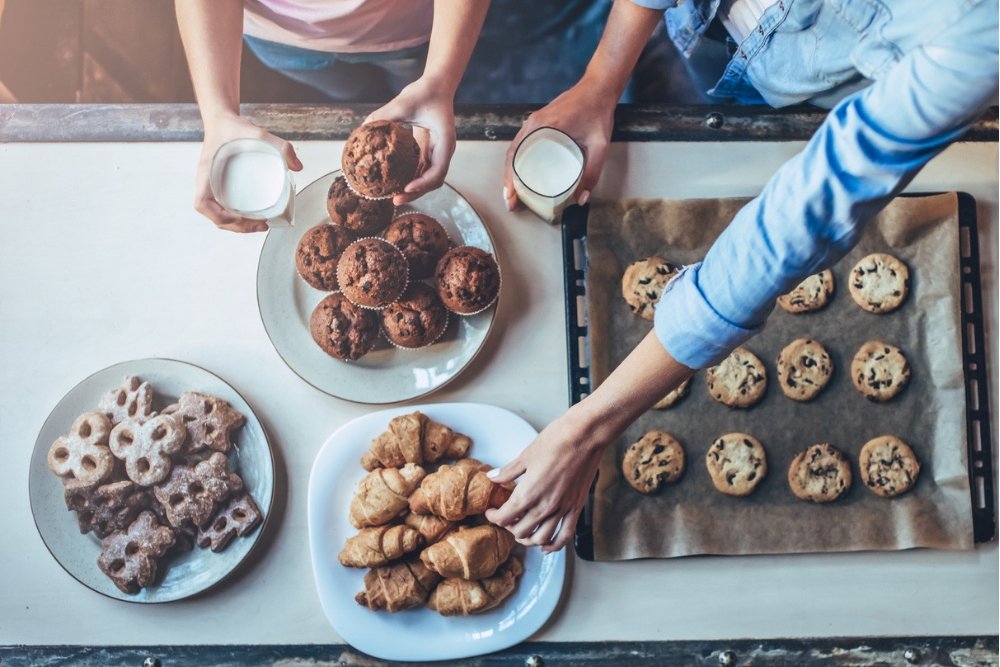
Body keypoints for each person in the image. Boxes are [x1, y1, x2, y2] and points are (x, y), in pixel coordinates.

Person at [488, 0, 999, 552]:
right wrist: (602, 80)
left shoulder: (976, 32)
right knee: (708, 82)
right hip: (715, 34)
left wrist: (591, 426)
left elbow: (804, 214)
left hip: (815, 77)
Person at [175, 0, 490, 232]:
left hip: (409, 27)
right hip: (280, 38)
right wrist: (217, 113)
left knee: (403, 86)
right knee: (347, 94)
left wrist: (439, 79)